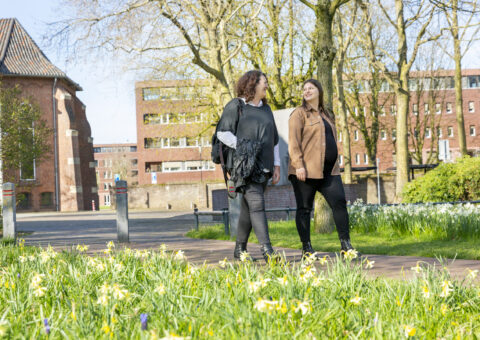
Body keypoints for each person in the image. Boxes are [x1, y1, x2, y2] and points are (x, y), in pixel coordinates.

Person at [288, 78, 360, 258]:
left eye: (310, 88)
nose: (306, 91)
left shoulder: (327, 114)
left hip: (329, 172)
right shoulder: (299, 114)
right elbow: (293, 142)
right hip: (305, 171)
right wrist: (298, 165)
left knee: (339, 204)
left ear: (319, 91)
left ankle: (346, 245)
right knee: (304, 209)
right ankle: (307, 248)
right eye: (304, 89)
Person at [215, 70, 280, 262]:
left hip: (265, 167)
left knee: (248, 208)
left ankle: (239, 249)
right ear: (253, 84)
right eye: (264, 82)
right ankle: (267, 251)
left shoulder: (267, 110)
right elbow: (222, 133)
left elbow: (274, 140)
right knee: (257, 205)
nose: (267, 85)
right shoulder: (237, 106)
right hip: (245, 167)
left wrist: (276, 165)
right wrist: (245, 148)